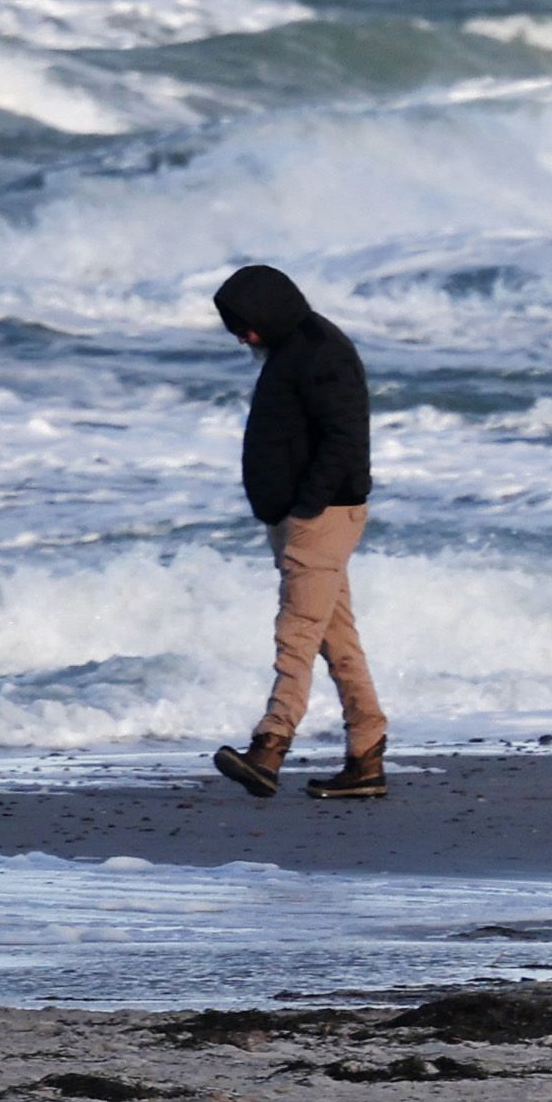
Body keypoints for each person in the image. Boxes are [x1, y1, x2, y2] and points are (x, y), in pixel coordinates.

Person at [207, 264, 385, 802]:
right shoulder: (293, 350)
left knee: (297, 634)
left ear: (269, 311)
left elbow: (345, 436)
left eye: (246, 325)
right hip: (303, 518)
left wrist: (307, 510)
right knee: (336, 640)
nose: (243, 337)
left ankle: (270, 746)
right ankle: (367, 754)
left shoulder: (320, 352)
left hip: (321, 518)